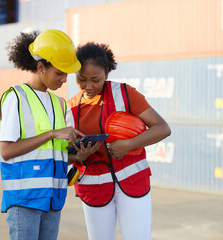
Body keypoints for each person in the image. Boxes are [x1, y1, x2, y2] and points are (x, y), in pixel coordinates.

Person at [0, 29, 101, 240]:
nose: (64, 79)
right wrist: (53, 133)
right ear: (40, 67)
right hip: (25, 198)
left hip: (53, 198)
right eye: (59, 73)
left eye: (66, 74)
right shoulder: (15, 98)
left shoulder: (60, 105)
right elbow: (7, 151)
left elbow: (55, 155)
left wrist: (78, 156)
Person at [67, 42, 171, 240]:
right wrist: (77, 156)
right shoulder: (69, 109)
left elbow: (162, 128)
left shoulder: (125, 93)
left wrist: (128, 145)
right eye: (81, 80)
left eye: (95, 80)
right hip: (94, 190)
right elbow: (63, 154)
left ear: (107, 72)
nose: (88, 86)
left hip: (133, 184)